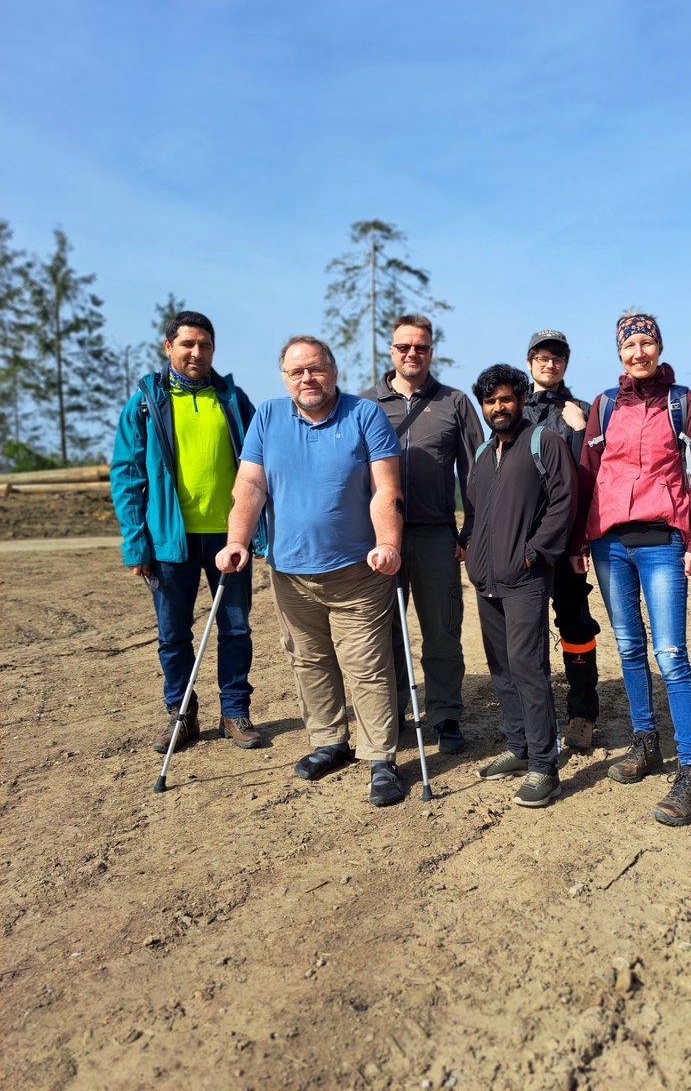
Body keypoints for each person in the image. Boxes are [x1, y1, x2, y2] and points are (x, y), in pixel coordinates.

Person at [216, 335, 407, 808]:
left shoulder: (365, 415)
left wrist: (388, 543)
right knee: (309, 660)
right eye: (297, 371)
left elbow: (386, 488)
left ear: (333, 371)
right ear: (285, 378)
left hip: (358, 571)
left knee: (366, 666)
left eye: (316, 368)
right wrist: (237, 539)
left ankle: (380, 758)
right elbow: (251, 484)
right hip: (290, 573)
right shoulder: (268, 416)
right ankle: (329, 742)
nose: (307, 378)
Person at [570, 312, 691, 826]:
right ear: (619, 354)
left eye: (646, 343)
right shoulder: (605, 405)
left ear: (658, 348)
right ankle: (645, 741)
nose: (638, 353)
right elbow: (588, 475)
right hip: (609, 544)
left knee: (671, 654)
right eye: (629, 345)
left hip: (663, 542)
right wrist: (579, 539)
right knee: (629, 647)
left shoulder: (684, 404)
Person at [110, 310, 263, 753]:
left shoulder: (233, 400)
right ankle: (181, 714)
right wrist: (136, 543)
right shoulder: (145, 403)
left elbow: (260, 466)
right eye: (188, 344)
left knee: (236, 628)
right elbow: (127, 475)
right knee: (173, 634)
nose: (197, 352)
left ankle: (235, 711)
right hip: (167, 540)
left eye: (205, 345)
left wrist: (258, 532)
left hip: (229, 536)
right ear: (168, 347)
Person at [361, 314, 483, 754]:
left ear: (431, 351)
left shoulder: (455, 403)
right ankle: (391, 712)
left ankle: (445, 715)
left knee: (442, 630)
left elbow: (476, 472)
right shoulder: (364, 404)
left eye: (421, 347)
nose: (412, 353)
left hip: (435, 534)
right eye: (404, 347)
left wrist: (469, 531)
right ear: (391, 350)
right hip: (378, 538)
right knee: (384, 631)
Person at [460, 364, 576, 808]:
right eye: (490, 401)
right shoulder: (482, 452)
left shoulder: (542, 442)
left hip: (526, 577)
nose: (498, 407)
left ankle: (545, 767)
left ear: (522, 399)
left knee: (528, 667)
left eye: (506, 399)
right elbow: (474, 511)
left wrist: (535, 551)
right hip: (486, 578)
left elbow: (564, 500)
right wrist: (468, 544)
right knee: (502, 667)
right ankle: (519, 746)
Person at [523, 329, 601, 752]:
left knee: (576, 625)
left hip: (567, 541)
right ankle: (533, 718)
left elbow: (596, 475)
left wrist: (583, 430)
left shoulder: (583, 411)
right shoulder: (514, 411)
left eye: (557, 358)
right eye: (542, 357)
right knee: (526, 631)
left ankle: (582, 714)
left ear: (566, 364)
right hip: (524, 541)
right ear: (530, 362)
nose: (549, 364)